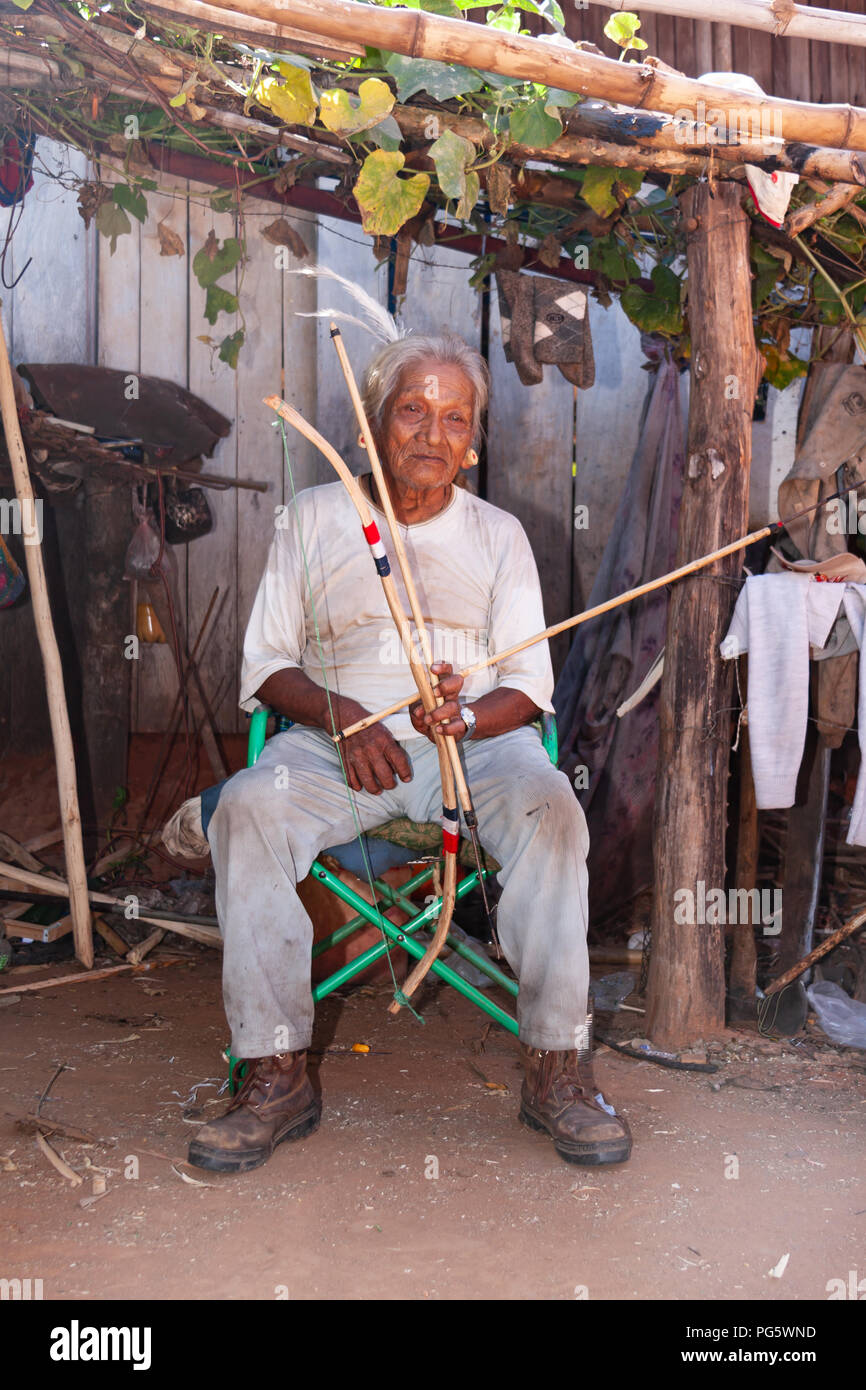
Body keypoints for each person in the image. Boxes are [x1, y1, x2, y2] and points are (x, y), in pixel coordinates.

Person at [186, 333, 631, 1173]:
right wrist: (342, 717)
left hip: (474, 746)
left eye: (454, 418)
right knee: (247, 807)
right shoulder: (315, 518)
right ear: (371, 426)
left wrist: (471, 716)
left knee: (553, 813)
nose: (433, 434)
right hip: (333, 745)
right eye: (412, 411)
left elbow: (530, 689)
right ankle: (275, 1070)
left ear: (474, 440)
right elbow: (266, 665)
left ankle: (556, 1066)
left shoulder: (500, 536)